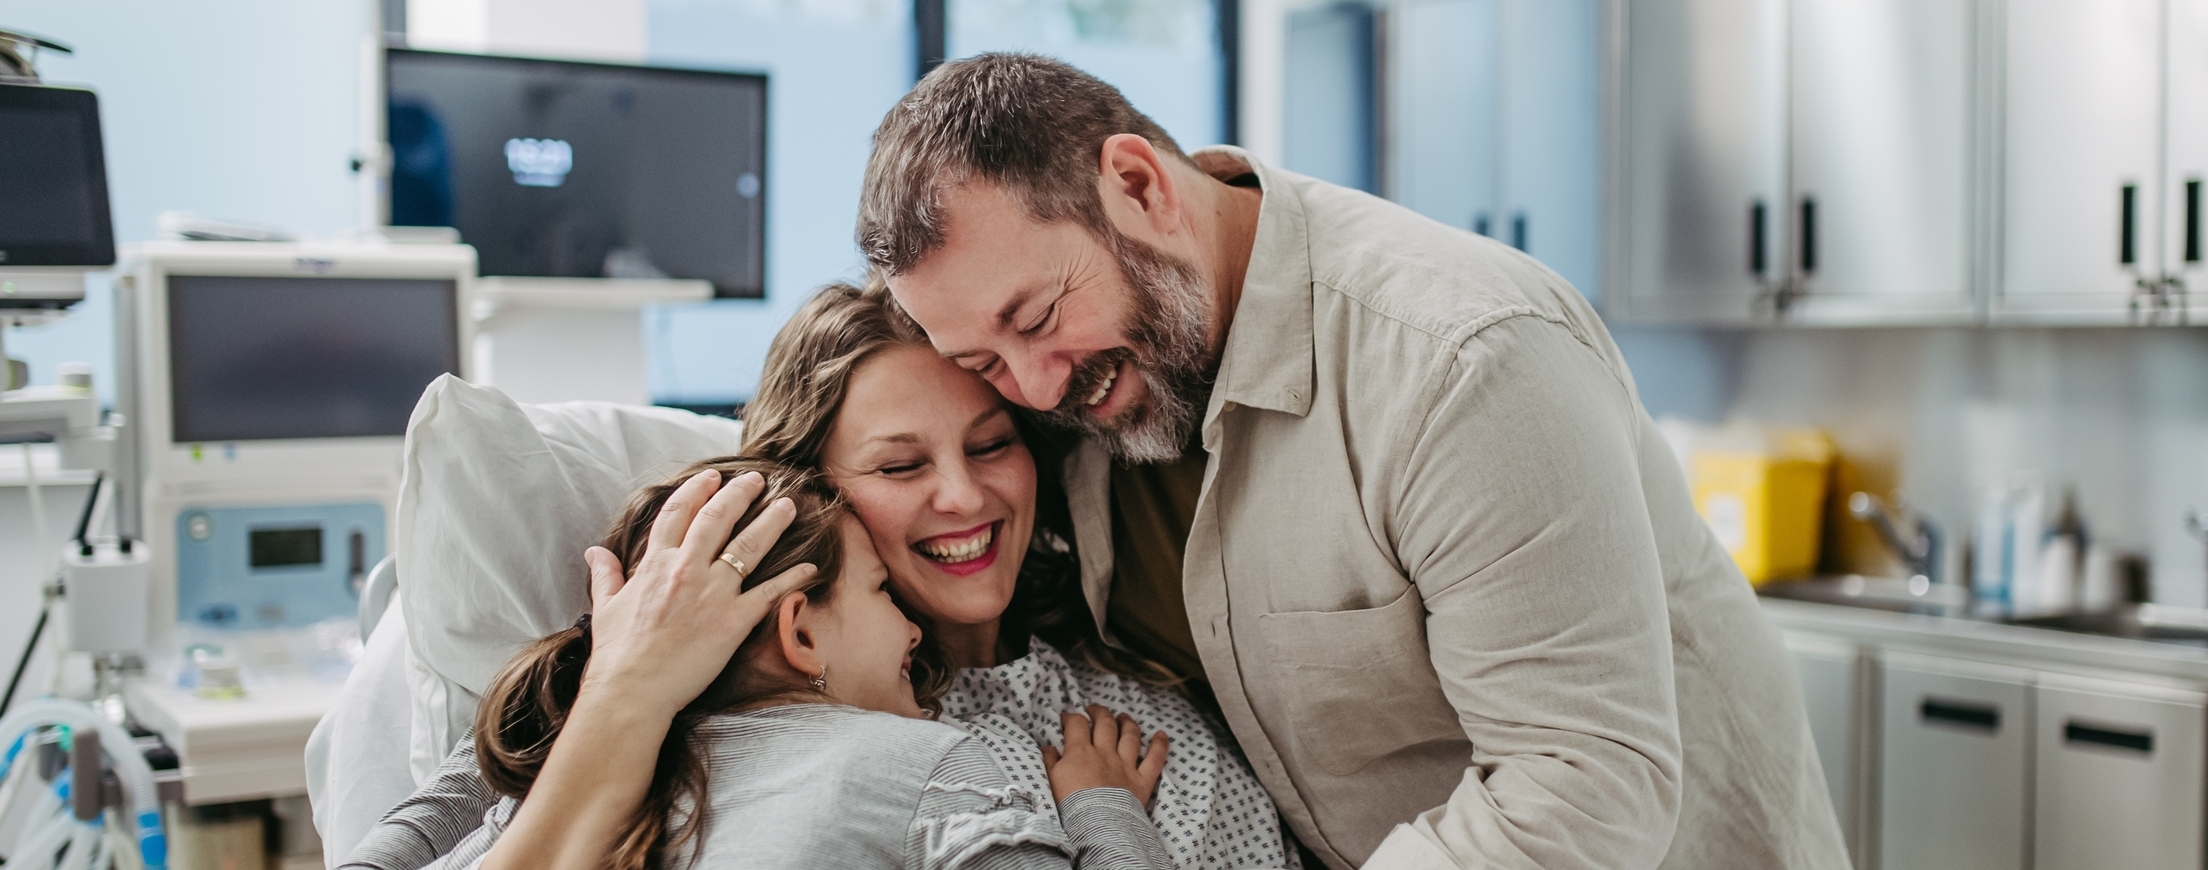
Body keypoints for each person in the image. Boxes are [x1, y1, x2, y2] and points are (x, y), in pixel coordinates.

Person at [857, 54, 1849, 869]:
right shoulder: (1079, 396)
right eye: (983, 359)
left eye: (1037, 319)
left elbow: (1581, 788)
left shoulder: (1461, 360)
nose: (1030, 388)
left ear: (1138, 185)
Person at [343, 285, 1297, 870]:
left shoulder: (1138, 729)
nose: (964, 496)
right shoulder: (597, 730)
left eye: (993, 444)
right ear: (808, 493)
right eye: (899, 465)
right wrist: (621, 692)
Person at [376, 456, 1177, 870]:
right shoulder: (929, 768)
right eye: (881, 592)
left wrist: (607, 690)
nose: (914, 630)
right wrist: (1105, 810)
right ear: (799, 633)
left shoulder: (525, 783)